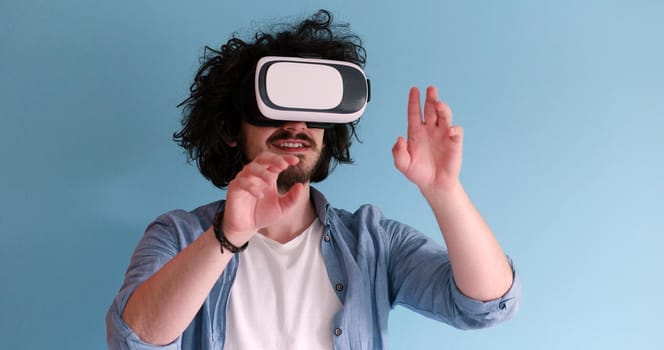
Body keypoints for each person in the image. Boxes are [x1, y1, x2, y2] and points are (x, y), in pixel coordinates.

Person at [106, 9, 521, 350]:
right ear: (232, 129)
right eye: (275, 106)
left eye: (313, 108)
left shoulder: (372, 243)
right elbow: (130, 340)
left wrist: (444, 191)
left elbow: (487, 304)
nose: (296, 124)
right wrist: (225, 237)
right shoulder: (178, 236)